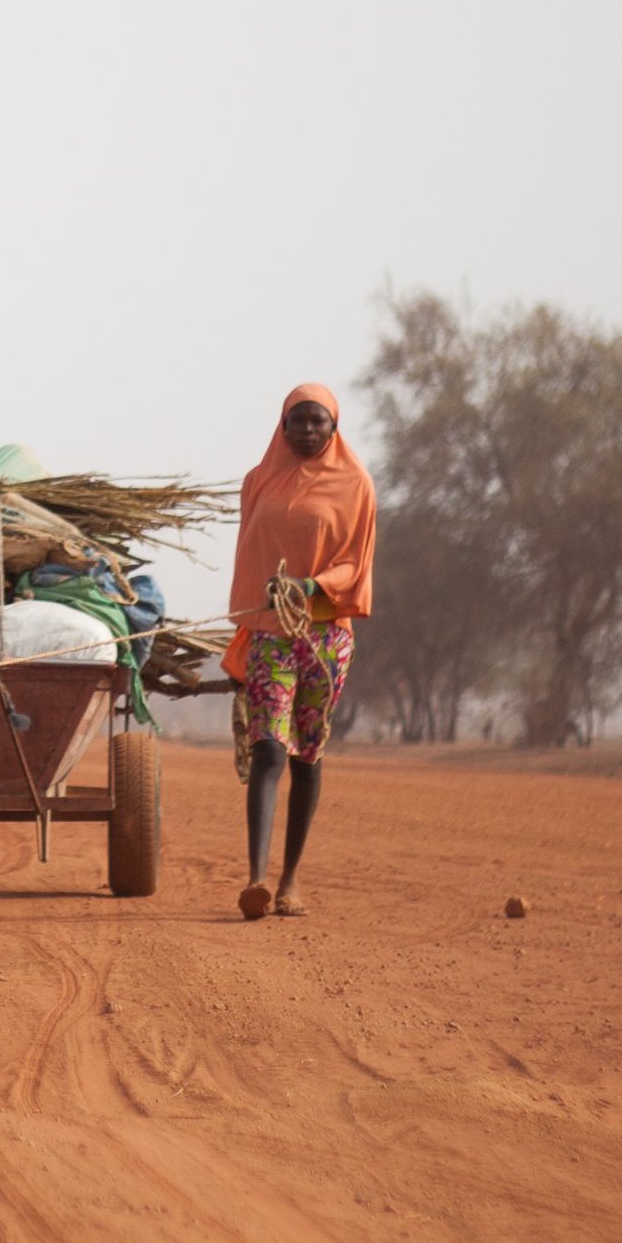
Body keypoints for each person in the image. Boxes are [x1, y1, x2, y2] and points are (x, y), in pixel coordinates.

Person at [223, 383, 376, 920]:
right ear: (282, 426)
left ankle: (290, 881)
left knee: (306, 753)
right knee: (267, 747)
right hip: (270, 632)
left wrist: (309, 587)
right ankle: (255, 879)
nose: (308, 431)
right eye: (298, 421)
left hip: (326, 637)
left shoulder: (356, 485)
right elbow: (250, 553)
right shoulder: (257, 482)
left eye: (319, 422)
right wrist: (256, 609)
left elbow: (354, 563)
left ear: (334, 429)